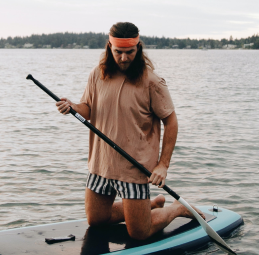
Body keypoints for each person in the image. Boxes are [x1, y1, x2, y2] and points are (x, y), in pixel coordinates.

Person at [56, 22, 203, 240]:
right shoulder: (97, 74)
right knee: (96, 220)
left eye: (130, 52)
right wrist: (73, 107)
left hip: (134, 168)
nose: (124, 58)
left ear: (139, 48)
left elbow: (171, 122)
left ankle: (176, 209)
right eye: (118, 52)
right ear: (109, 48)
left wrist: (163, 165)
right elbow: (87, 109)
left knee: (139, 233)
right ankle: (150, 206)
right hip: (101, 163)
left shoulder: (152, 82)